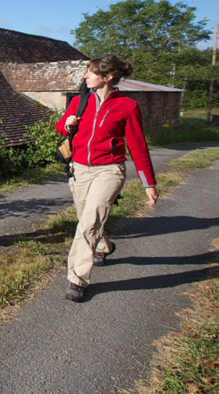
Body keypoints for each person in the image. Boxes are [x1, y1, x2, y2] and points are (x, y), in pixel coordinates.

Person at [56, 55, 158, 302]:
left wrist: (149, 183)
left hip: (110, 170)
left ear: (108, 77)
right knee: (86, 218)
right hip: (79, 168)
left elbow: (138, 146)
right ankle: (103, 246)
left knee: (89, 222)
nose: (86, 76)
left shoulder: (127, 106)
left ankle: (77, 280)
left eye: (90, 72)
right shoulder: (80, 101)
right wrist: (68, 125)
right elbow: (60, 128)